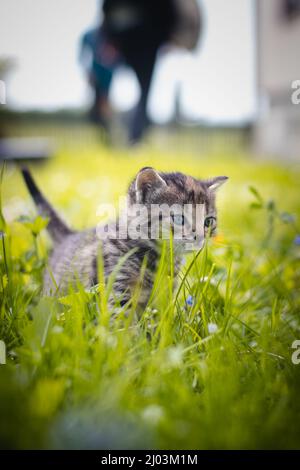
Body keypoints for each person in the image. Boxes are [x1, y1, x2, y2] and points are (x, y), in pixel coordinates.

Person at [102, 0, 202, 143]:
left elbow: (164, 10)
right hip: (128, 38)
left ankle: (135, 137)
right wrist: (109, 38)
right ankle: (123, 132)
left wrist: (167, 37)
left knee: (144, 90)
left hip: (146, 39)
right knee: (118, 85)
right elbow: (108, 7)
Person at [80, 26, 120, 130]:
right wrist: (87, 72)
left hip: (108, 73)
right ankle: (101, 125)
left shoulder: (113, 34)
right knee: (97, 103)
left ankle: (108, 128)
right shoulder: (89, 35)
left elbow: (119, 57)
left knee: (105, 101)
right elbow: (82, 56)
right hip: (95, 73)